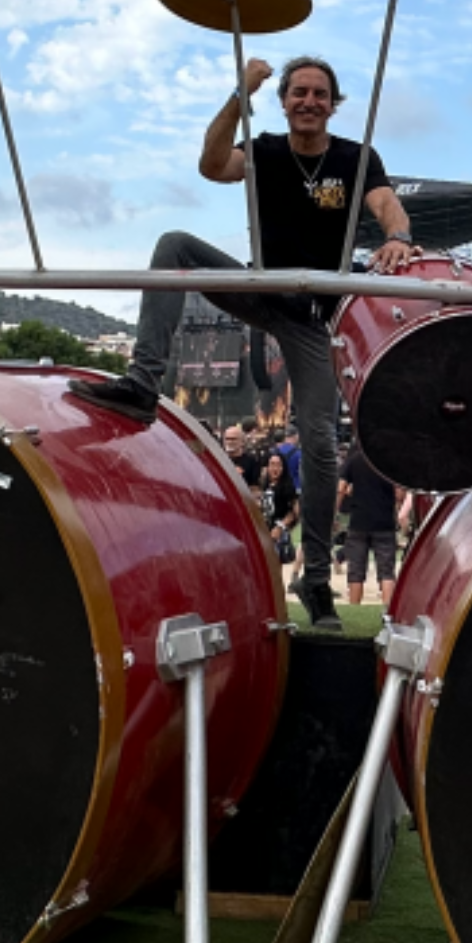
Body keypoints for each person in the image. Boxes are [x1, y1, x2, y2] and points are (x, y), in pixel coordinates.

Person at [64, 54, 419, 632]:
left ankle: (314, 581)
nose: (309, 101)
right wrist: (238, 94)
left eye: (320, 93)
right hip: (263, 291)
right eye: (298, 92)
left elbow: (385, 204)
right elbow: (210, 165)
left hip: (310, 317)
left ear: (334, 103)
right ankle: (141, 383)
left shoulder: (356, 158)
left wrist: (399, 236)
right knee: (174, 244)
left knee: (323, 446)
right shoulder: (267, 149)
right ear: (283, 100)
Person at [338, 442, 400, 607]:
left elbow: (341, 488)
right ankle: (387, 609)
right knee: (386, 571)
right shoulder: (389, 461)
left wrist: (335, 512)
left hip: (359, 520)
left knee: (356, 570)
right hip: (384, 521)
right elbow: (399, 492)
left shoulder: (355, 460)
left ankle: (354, 607)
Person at [258, 450, 299, 589]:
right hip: (264, 528)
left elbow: (294, 512)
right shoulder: (264, 485)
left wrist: (281, 526)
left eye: (278, 465)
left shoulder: (287, 487)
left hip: (277, 530)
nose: (275, 469)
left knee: (275, 565)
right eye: (272, 465)